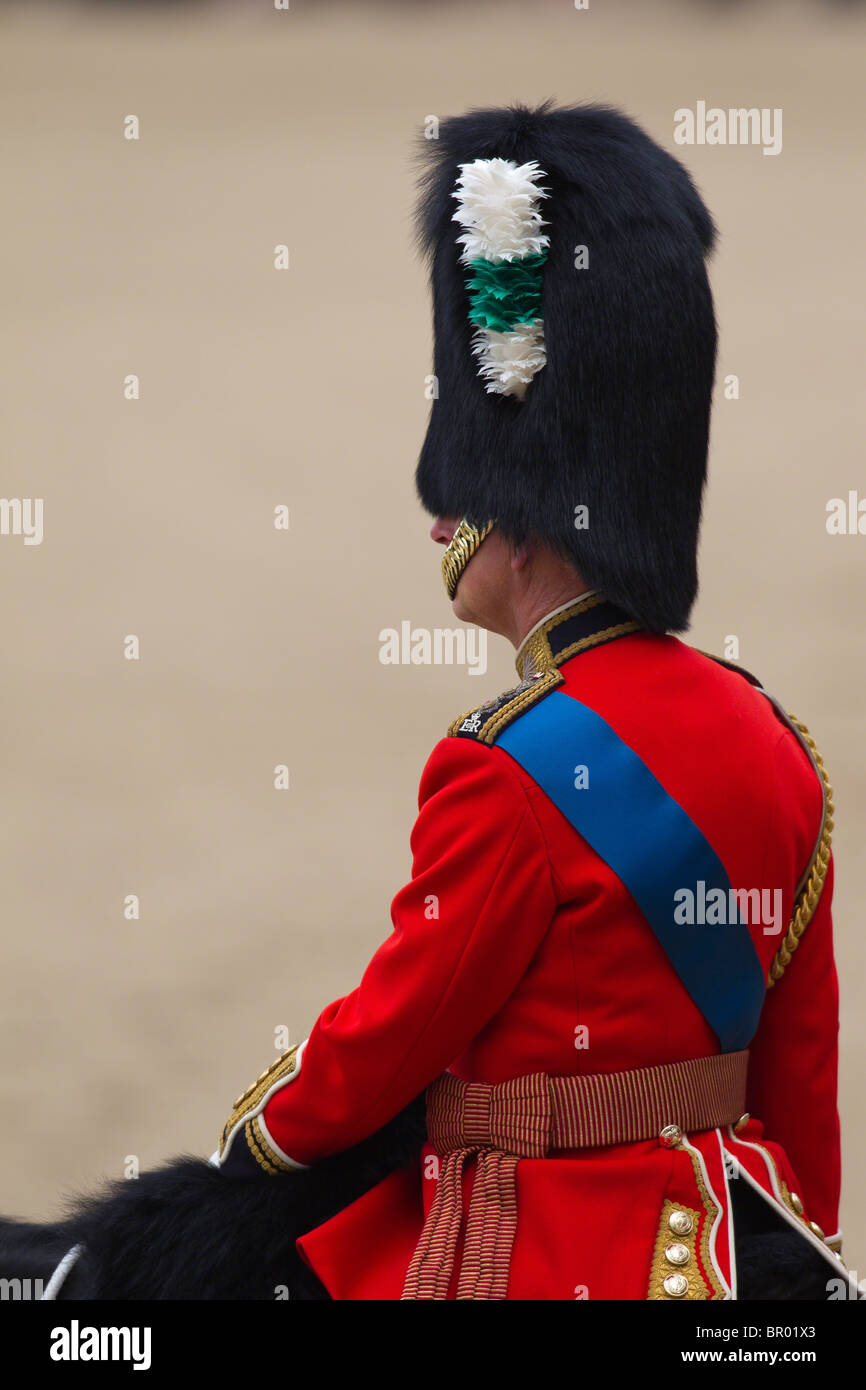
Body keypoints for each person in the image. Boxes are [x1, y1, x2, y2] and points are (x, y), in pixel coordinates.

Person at [6, 99, 856, 1303]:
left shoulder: (502, 766)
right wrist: (794, 1250)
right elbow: (800, 1080)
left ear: (523, 518)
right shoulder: (779, 742)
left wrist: (258, 1142)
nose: (439, 520)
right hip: (716, 1245)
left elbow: (388, 1040)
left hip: (541, 1251)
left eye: (462, 494)